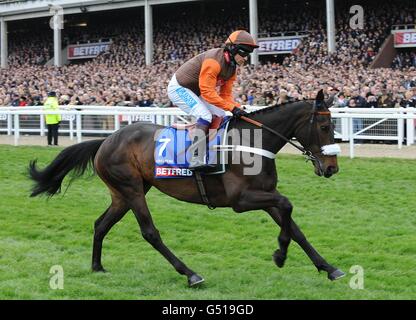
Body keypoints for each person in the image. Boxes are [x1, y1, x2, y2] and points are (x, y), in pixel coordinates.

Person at [167, 30, 259, 170]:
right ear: (233, 49)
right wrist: (232, 108)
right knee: (205, 115)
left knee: (221, 114)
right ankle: (195, 158)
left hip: (195, 91)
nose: (246, 58)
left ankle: (210, 151)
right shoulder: (213, 62)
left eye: (248, 54)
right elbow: (207, 92)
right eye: (244, 53)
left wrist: (238, 107)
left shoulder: (232, 69)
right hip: (179, 88)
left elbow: (225, 96)